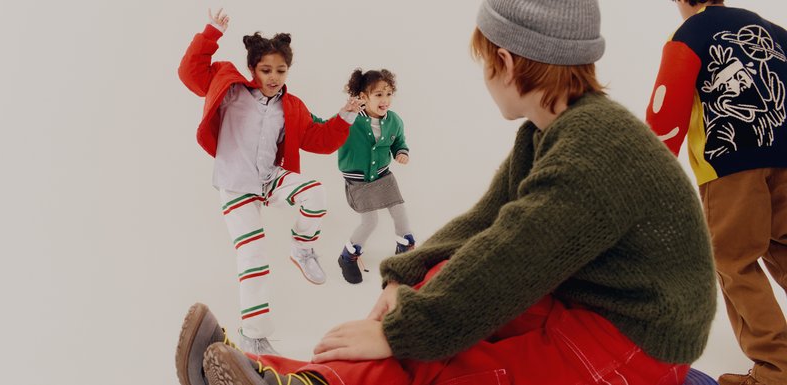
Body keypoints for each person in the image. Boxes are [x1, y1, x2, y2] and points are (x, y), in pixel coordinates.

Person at [176, 1, 717, 384]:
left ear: (505, 61)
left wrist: (405, 329)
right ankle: (291, 381)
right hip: (583, 303)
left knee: (462, 367)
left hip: (635, 343)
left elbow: (514, 256)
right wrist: (407, 278)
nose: (485, 75)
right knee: (439, 284)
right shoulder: (552, 131)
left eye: (485, 63)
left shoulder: (594, 150)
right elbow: (486, 222)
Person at [177, 8, 361, 356]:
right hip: (235, 186)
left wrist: (347, 113)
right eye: (266, 70)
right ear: (252, 69)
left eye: (281, 70)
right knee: (253, 257)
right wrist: (212, 31)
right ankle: (254, 336)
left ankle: (302, 248)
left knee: (316, 193)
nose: (273, 77)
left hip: (268, 180)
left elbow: (320, 139)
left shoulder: (290, 106)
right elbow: (189, 73)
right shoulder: (230, 89)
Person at [646, 1, 787, 384]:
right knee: (782, 248)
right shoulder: (773, 32)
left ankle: (777, 371)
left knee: (733, 261)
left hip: (729, 166)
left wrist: (649, 172)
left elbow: (665, 111)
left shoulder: (689, 35)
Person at [333, 68, 415, 284]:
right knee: (370, 221)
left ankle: (404, 247)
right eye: (378, 94)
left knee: (399, 211)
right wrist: (344, 115)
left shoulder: (394, 120)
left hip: (382, 175)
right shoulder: (351, 120)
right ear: (363, 97)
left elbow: (399, 141)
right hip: (358, 181)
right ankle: (348, 255)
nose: (385, 100)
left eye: (388, 94)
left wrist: (401, 152)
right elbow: (333, 129)